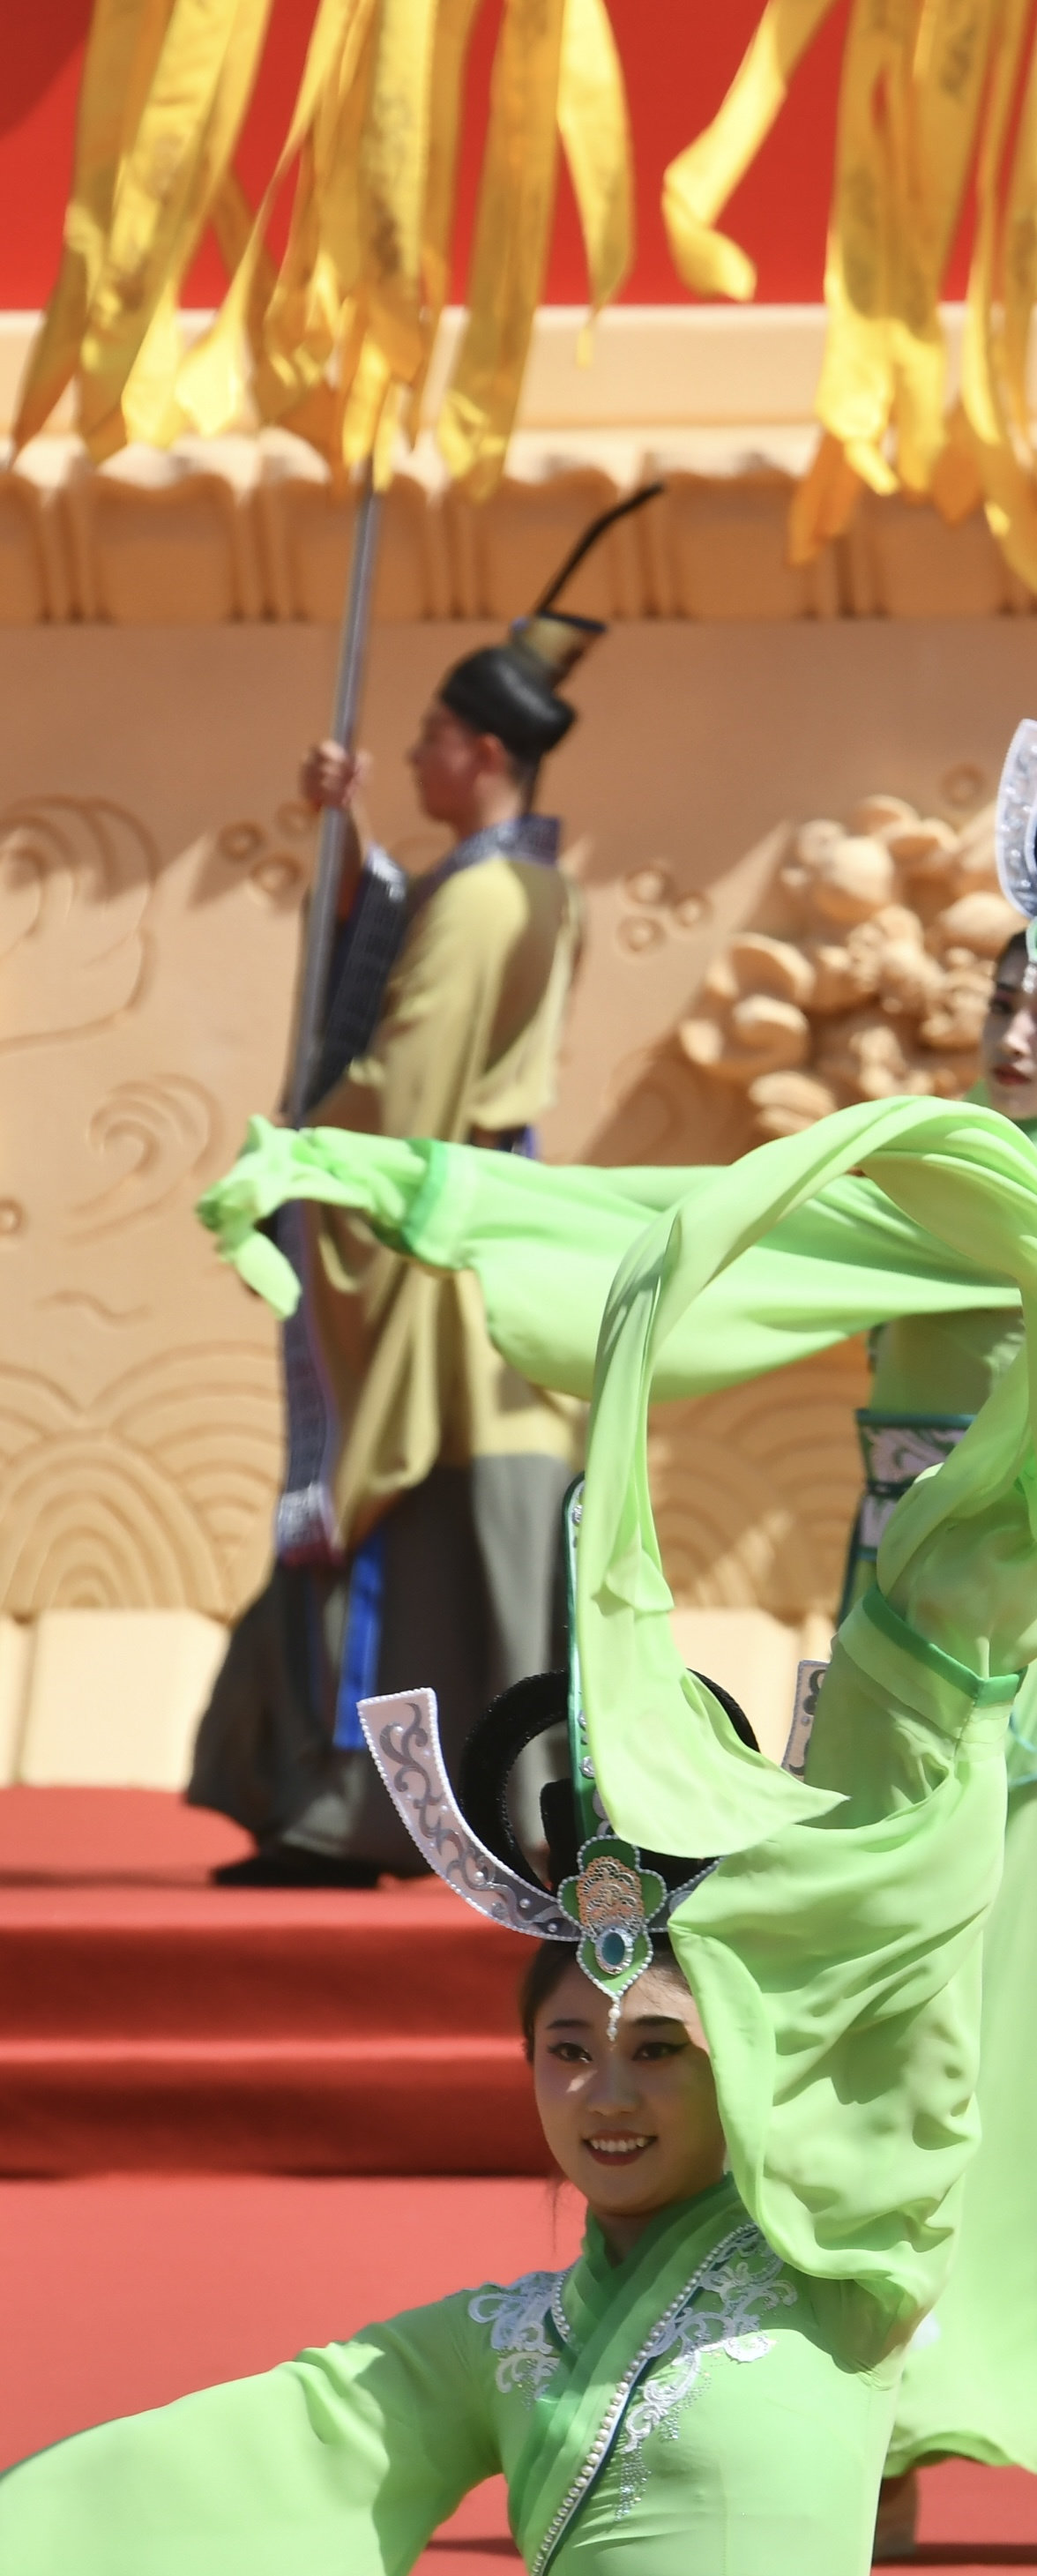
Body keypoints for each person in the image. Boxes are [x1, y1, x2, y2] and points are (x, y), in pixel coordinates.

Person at [195, 676, 1037, 2572]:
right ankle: (895, 2409)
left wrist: (396, 1175)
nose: (1015, 1020)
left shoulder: (1015, 1182)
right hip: (905, 1632)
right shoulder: (966, 1159)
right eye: (1008, 992)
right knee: (883, 2038)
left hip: (1011, 1660)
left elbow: (710, 1225)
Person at [4, 1094, 1037, 2576]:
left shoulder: (848, 2242)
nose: (605, 2086)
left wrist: (951, 1572)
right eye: (569, 2047)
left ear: (747, 2056)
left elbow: (915, 1886)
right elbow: (234, 2466)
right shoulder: (509, 2335)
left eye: (660, 2046)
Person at [189, 484, 660, 1889]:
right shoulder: (529, 883)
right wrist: (355, 862)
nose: (413, 752)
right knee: (494, 1532)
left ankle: (348, 1809)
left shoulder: (481, 898)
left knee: (376, 1512)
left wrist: (300, 1155)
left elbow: (404, 1082)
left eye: (436, 736)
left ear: (489, 749)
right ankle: (492, 1805)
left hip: (437, 1238)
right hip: (501, 1232)